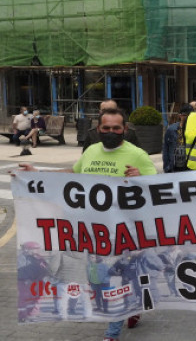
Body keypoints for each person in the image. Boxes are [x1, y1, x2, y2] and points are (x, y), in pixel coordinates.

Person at [18, 107, 157, 341]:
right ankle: (133, 306)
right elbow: (72, 174)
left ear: (124, 129)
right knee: (96, 279)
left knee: (111, 280)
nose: (111, 132)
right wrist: (37, 174)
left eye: (116, 128)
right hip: (90, 232)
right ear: (98, 129)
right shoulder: (92, 150)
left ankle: (112, 333)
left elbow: (160, 188)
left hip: (122, 232)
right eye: (106, 128)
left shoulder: (137, 155)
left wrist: (142, 179)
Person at [162, 104, 192, 173]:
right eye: (185, 115)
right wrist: (167, 167)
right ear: (180, 115)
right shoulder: (171, 129)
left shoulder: (194, 130)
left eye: (190, 115)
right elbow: (166, 148)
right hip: (174, 167)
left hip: (189, 167)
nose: (188, 117)